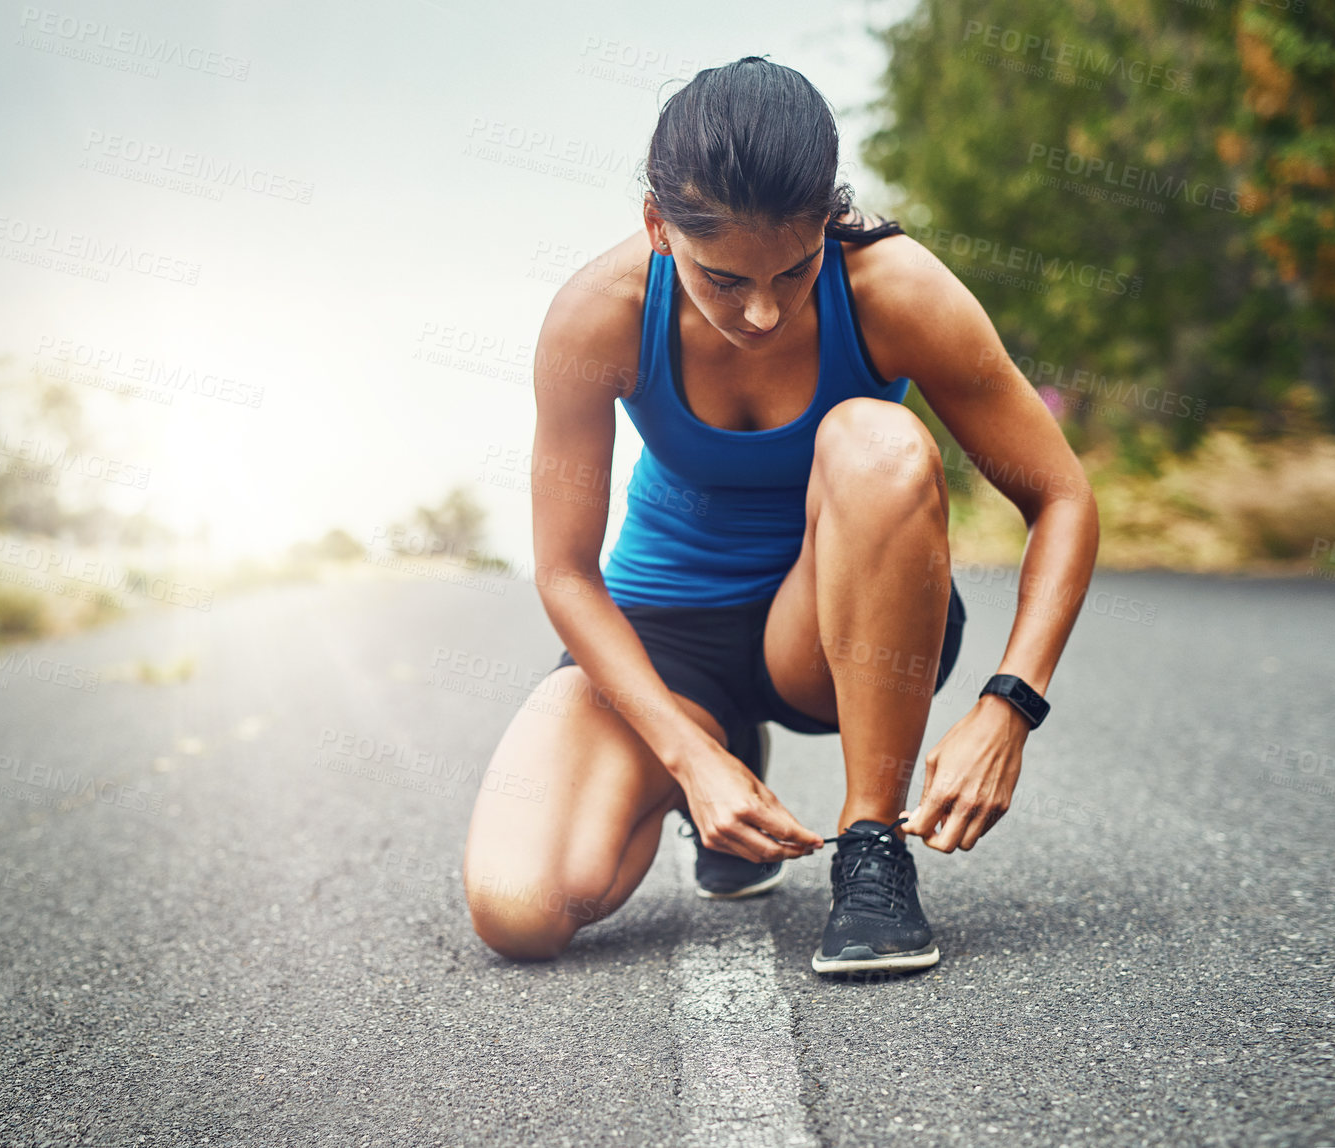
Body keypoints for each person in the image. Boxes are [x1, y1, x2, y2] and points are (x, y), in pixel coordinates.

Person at [460, 57, 1099, 974]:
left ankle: (873, 852)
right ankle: (718, 751)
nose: (761, 311)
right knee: (518, 911)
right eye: (722, 280)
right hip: (667, 639)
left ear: (830, 219)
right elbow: (564, 570)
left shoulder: (895, 289)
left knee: (875, 440)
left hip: (839, 630)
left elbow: (1062, 496)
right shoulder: (595, 317)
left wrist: (1011, 705)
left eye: (794, 271)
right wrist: (687, 758)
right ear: (656, 226)